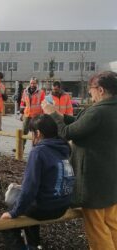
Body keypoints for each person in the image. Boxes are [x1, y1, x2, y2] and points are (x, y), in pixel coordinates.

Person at [42, 71, 117, 250]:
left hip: (94, 181)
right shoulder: (110, 109)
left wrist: (52, 114)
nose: (90, 93)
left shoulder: (98, 112)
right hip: (111, 180)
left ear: (100, 90)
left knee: (97, 229)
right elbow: (79, 122)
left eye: (91, 89)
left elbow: (68, 133)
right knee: (112, 223)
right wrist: (60, 115)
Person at [0, 114, 74, 249]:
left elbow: (30, 189)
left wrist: (13, 213)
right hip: (63, 205)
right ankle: (34, 244)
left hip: (46, 208)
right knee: (26, 205)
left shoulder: (39, 151)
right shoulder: (63, 149)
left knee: (7, 220)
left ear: (38, 133)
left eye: (32, 133)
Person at [20, 77, 45, 150]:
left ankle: (34, 148)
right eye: (31, 83)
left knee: (36, 133)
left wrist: (43, 116)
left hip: (36, 116)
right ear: (29, 83)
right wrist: (21, 110)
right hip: (27, 115)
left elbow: (43, 104)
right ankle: (21, 147)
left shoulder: (41, 92)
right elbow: (22, 101)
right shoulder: (25, 91)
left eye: (34, 83)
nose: (32, 85)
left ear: (36, 84)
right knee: (24, 131)